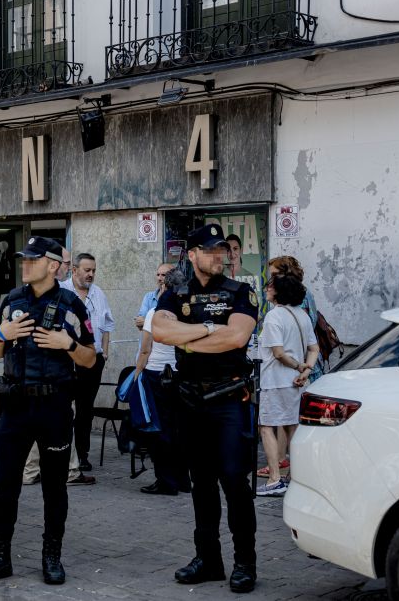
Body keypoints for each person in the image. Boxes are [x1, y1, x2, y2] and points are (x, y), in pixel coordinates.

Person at [0, 236, 96, 587]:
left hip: (54, 406)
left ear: (53, 266)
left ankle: (51, 556)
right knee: (4, 487)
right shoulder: (12, 300)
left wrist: (67, 344)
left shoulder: (71, 304)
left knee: (54, 489)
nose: (24, 264)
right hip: (15, 407)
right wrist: (2, 332)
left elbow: (90, 358)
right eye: (23, 259)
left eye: (32, 259)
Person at [152, 223, 259, 594]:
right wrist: (213, 330)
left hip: (229, 400)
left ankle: (245, 563)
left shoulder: (240, 292)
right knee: (201, 484)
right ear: (193, 254)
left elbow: (237, 337)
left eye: (223, 250)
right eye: (211, 250)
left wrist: (188, 337)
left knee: (234, 481)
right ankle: (209, 560)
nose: (220, 256)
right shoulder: (176, 293)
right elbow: (160, 331)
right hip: (190, 401)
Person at [23, 247, 95, 487]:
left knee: (54, 426)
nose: (66, 266)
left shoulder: (75, 298)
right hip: (44, 380)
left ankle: (39, 471)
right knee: (49, 427)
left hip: (65, 375)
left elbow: (92, 340)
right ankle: (66, 471)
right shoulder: (42, 298)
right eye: (65, 262)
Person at [256, 274, 319, 497]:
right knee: (292, 428)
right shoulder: (302, 314)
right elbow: (314, 348)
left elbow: (278, 353)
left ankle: (274, 478)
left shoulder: (274, 316)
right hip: (297, 382)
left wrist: (299, 366)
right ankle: (295, 477)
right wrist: (306, 370)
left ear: (279, 292)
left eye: (270, 287)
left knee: (266, 427)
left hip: (275, 380)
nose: (266, 289)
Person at [133, 268, 190, 496]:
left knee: (160, 429)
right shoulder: (187, 312)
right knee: (180, 428)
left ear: (165, 287)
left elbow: (145, 349)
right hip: (181, 374)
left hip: (157, 374)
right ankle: (183, 479)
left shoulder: (155, 313)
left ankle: (166, 481)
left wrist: (136, 375)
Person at [60, 252, 114, 471]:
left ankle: (82, 455)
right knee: (63, 408)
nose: (91, 274)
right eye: (87, 270)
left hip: (92, 360)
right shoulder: (62, 291)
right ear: (74, 270)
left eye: (94, 270)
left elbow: (107, 325)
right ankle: (62, 453)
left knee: (85, 410)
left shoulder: (98, 293)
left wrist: (105, 353)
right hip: (66, 360)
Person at [136, 263, 175, 331]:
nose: (159, 278)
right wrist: (141, 322)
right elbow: (140, 323)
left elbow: (171, 324)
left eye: (163, 275)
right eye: (158, 275)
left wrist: (147, 322)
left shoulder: (177, 297)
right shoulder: (149, 297)